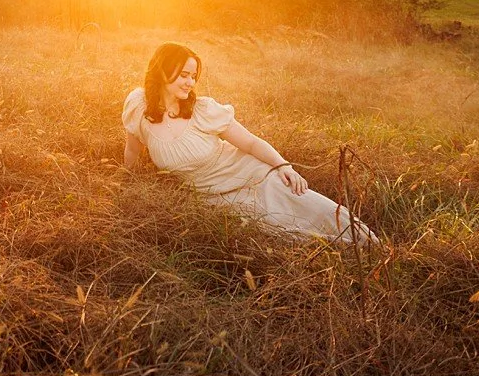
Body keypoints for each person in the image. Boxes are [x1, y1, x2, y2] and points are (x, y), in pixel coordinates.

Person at [122, 42, 376, 244]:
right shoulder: (139, 107)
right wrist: (127, 187)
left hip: (251, 176)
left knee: (313, 209)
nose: (190, 82)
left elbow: (252, 144)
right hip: (214, 199)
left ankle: (370, 245)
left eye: (194, 76)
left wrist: (283, 166)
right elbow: (133, 150)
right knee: (283, 232)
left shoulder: (203, 111)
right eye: (184, 75)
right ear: (163, 70)